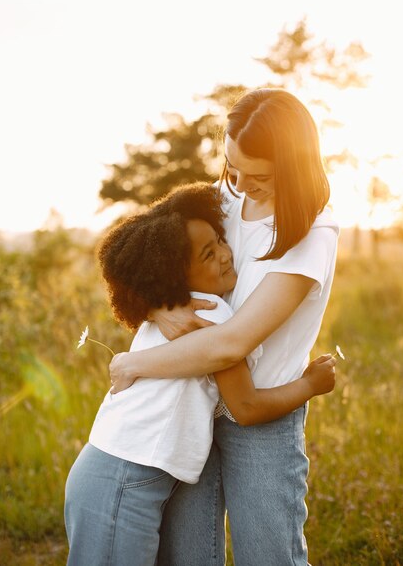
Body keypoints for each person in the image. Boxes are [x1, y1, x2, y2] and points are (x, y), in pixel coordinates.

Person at [108, 88, 340, 565]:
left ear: (295, 168)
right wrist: (157, 309)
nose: (240, 183)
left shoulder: (311, 233)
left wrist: (133, 362)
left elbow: (232, 342)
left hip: (261, 417)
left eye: (260, 176)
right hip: (191, 406)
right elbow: (133, 257)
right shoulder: (221, 199)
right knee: (188, 557)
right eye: (233, 167)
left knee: (268, 557)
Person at [64, 182, 336, 566]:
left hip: (111, 469)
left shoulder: (172, 306)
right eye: (208, 255)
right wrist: (309, 384)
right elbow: (246, 406)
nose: (226, 256)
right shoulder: (212, 317)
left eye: (220, 243)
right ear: (176, 276)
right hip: (123, 481)